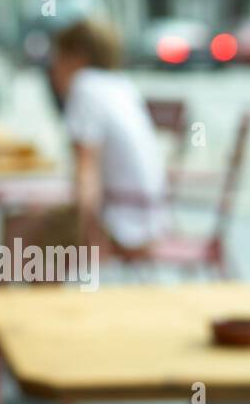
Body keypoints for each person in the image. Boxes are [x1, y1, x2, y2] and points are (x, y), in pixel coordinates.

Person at [48, 18, 170, 252]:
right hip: (152, 217)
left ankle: (12, 288)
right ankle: (44, 287)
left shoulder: (85, 86)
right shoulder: (121, 85)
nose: (53, 70)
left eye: (58, 58)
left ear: (77, 57)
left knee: (20, 232)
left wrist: (89, 231)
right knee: (42, 232)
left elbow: (86, 173)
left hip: (121, 224)